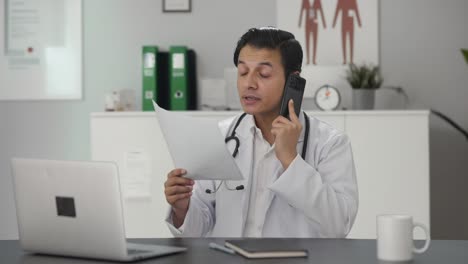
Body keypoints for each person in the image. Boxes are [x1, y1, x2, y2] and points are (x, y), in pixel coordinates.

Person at [164, 27, 358, 238]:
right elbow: (199, 226)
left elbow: (339, 225)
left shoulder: (329, 143)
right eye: (243, 72)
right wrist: (182, 208)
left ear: (293, 80)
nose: (249, 84)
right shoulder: (221, 137)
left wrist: (291, 160)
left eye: (263, 74)